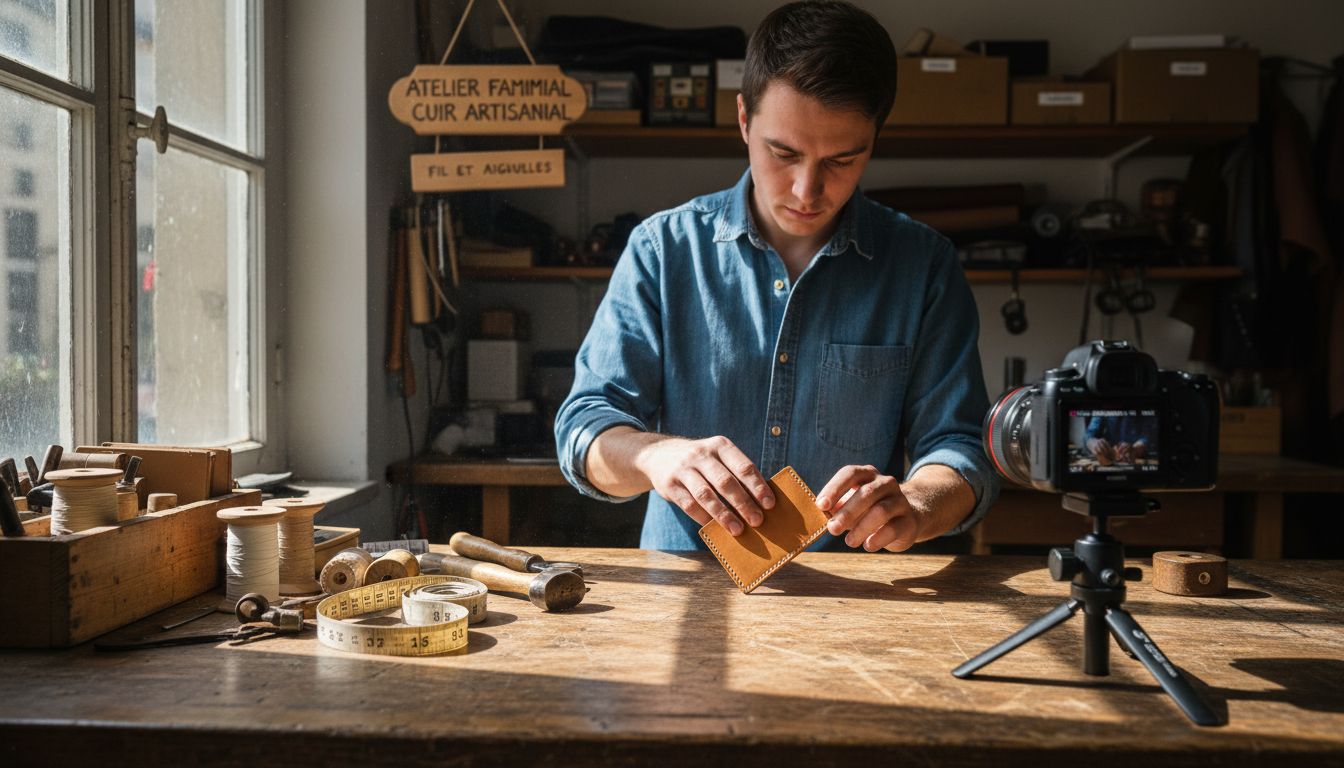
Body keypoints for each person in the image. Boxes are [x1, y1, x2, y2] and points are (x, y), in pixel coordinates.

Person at [554, 0, 999, 552]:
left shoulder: (923, 267)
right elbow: (583, 429)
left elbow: (961, 447)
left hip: (858, 601)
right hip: (684, 599)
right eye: (783, 153)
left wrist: (919, 503)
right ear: (744, 120)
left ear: (874, 140)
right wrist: (653, 454)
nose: (806, 191)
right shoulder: (662, 250)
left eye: (841, 160)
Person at [1084, 414, 1155, 466]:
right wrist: (1091, 442)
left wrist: (1135, 449)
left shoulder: (1145, 410)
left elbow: (1148, 437)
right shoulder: (1101, 410)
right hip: (1107, 461)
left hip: (1136, 460)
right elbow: (1090, 433)